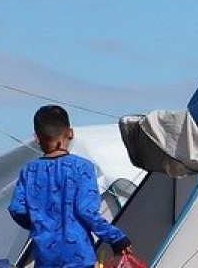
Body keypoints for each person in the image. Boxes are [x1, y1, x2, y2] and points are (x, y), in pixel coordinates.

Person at [7, 105, 129, 268]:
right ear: (70, 133)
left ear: (36, 137)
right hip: (79, 257)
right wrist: (116, 238)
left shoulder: (29, 170)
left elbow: (17, 209)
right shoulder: (82, 167)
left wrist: (40, 224)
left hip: (45, 257)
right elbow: (86, 211)